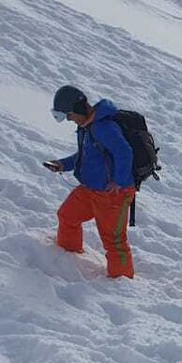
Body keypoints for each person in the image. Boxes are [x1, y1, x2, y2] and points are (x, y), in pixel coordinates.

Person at [45, 85, 138, 279]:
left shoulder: (104, 127)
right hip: (89, 190)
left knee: (114, 242)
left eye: (69, 115)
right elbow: (87, 156)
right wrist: (62, 164)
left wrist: (119, 182)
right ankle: (68, 257)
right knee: (67, 216)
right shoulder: (87, 127)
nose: (70, 120)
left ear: (78, 108)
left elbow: (124, 152)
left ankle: (121, 283)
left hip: (113, 195)